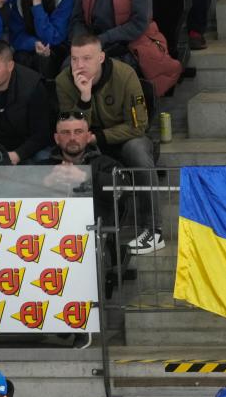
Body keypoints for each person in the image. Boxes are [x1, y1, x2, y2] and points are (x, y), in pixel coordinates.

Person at [56, 33, 163, 255]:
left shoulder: (125, 75)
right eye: (75, 59)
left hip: (126, 139)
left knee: (137, 150)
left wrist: (99, 137)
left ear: (101, 57)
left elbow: (138, 125)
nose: (79, 65)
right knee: (68, 151)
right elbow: (71, 130)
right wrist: (84, 98)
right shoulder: (64, 81)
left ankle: (153, 229)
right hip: (88, 143)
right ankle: (69, 228)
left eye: (86, 58)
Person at [9, 0, 73, 77]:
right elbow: (16, 34)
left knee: (45, 60)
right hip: (31, 42)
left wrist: (37, 3)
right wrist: (33, 43)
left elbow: (55, 37)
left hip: (56, 45)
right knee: (20, 58)